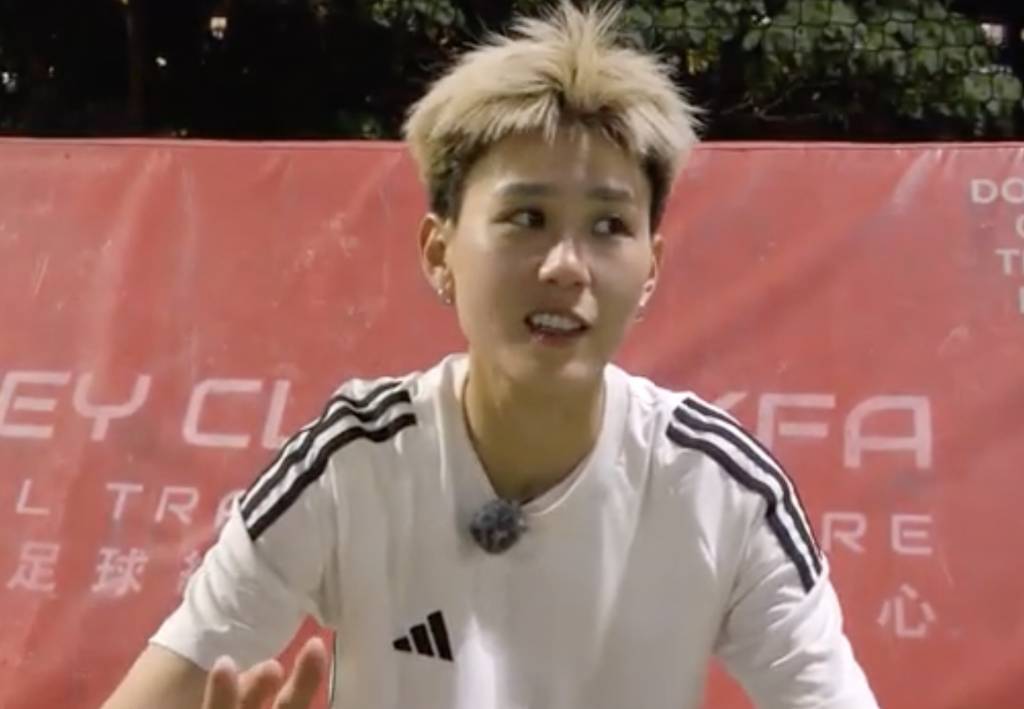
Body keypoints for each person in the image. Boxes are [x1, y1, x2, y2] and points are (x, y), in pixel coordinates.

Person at [101, 3, 879, 708]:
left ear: (651, 269)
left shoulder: (724, 489)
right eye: (527, 217)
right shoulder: (353, 461)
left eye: (609, 227)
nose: (567, 265)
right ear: (439, 252)